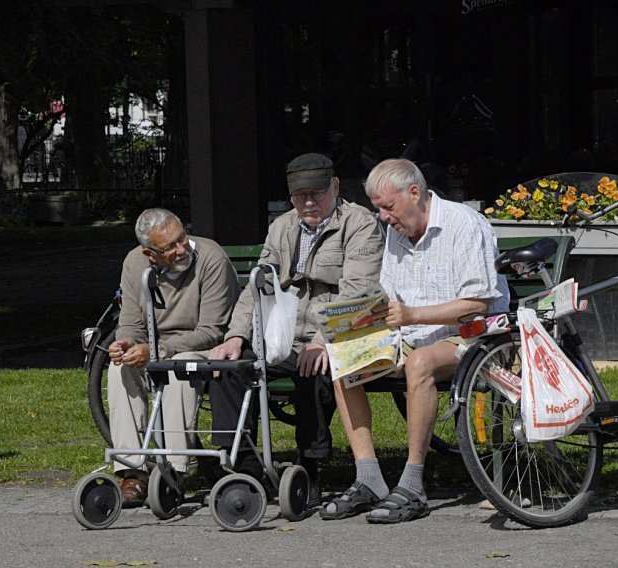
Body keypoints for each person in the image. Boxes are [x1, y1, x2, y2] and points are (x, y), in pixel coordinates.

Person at [321, 158, 509, 524]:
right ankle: (368, 478)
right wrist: (359, 319)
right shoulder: (396, 232)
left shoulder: (464, 225)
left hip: (473, 337)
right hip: (410, 335)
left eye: (388, 207)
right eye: (378, 208)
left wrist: (411, 316)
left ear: (415, 193)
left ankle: (412, 485)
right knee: (344, 358)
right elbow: (391, 296)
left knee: (422, 361)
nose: (384, 217)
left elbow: (477, 304)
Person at [208, 153, 384, 504]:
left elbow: (358, 291)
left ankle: (309, 466)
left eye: (316, 193)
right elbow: (257, 285)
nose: (307, 202)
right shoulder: (283, 226)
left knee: (317, 368)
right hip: (281, 335)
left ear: (334, 187)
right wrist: (236, 335)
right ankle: (243, 469)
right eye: (299, 195)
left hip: (332, 333)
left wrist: (322, 340)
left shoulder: (359, 224)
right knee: (230, 367)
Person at [108, 208, 240, 507]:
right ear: (150, 253)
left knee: (180, 367)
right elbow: (130, 321)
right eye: (170, 247)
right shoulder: (134, 263)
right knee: (119, 370)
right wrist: (125, 343)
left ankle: (174, 470)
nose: (182, 249)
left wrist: (158, 351)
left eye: (182, 238)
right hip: (156, 347)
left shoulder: (211, 258)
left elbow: (213, 330)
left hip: (203, 346)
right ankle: (133, 471)